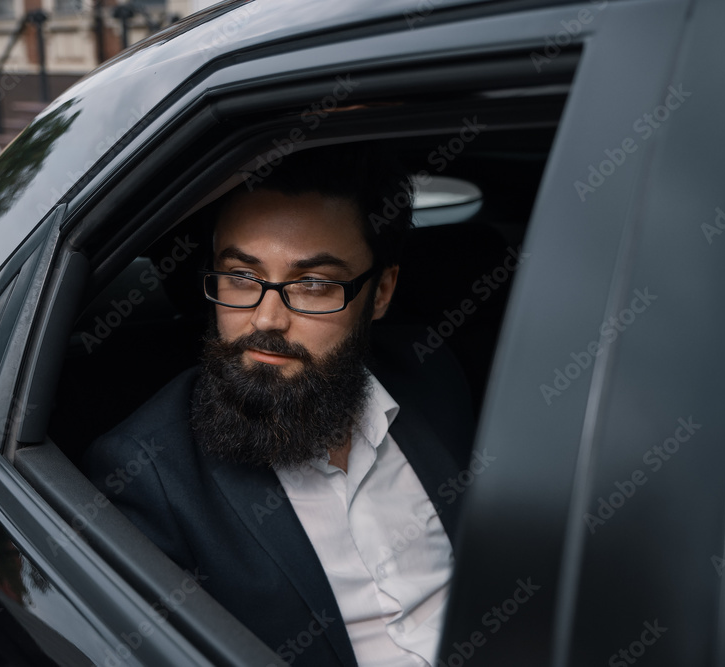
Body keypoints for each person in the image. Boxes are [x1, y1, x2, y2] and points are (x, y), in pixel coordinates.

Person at [83, 144, 475, 667]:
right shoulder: (146, 475)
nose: (267, 319)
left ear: (380, 293)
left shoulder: (430, 373)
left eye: (312, 284)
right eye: (242, 277)